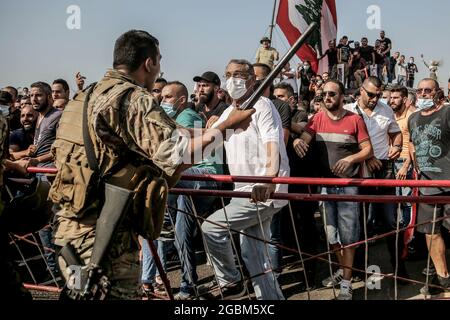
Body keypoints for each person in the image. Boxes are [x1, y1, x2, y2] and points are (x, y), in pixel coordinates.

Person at [50, 30, 254, 300]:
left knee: (78, 293)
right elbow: (178, 154)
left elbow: (169, 141)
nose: (159, 69)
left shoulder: (82, 99)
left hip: (69, 234)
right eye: (159, 60)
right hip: (104, 242)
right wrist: (227, 127)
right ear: (149, 63)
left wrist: (209, 132)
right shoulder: (132, 98)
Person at [201, 58, 289, 300]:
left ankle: (230, 282)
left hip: (261, 192)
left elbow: (273, 147)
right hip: (244, 191)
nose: (232, 79)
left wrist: (268, 180)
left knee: (212, 227)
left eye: (238, 74)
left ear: (251, 79)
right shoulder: (230, 113)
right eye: (228, 74)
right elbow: (205, 143)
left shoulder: (263, 106)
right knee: (255, 257)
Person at [294, 79, 373, 300]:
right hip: (326, 186)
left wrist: (351, 158)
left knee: (349, 236)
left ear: (341, 97)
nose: (326, 98)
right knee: (331, 235)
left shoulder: (354, 119)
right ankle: (343, 270)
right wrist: (297, 142)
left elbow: (368, 149)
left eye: (331, 94)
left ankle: (347, 282)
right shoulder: (317, 118)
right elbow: (304, 137)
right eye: (323, 95)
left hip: (348, 187)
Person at [344, 77, 407, 280]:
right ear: (361, 90)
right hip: (357, 170)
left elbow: (396, 133)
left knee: (390, 221)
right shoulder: (347, 110)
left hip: (382, 169)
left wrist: (397, 146)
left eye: (378, 95)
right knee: (359, 223)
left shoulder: (385, 109)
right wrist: (367, 156)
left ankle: (399, 268)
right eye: (371, 94)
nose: (374, 99)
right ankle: (359, 271)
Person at [408, 78, 450, 294]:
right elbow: (413, 147)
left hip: (448, 184)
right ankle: (443, 280)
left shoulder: (446, 113)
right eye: (420, 90)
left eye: (428, 90)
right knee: (431, 233)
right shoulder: (413, 118)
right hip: (427, 185)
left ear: (437, 93)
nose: (423, 94)